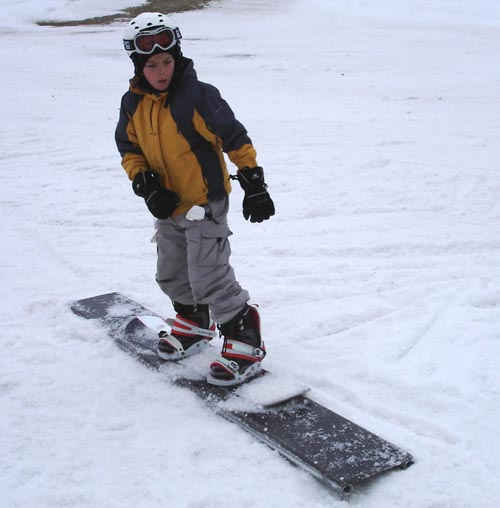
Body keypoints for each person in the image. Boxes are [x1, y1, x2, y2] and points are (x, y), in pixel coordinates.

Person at [115, 12, 275, 386]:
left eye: (166, 62)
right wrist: (146, 184)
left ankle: (245, 336)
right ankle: (194, 323)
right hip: (167, 204)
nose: (160, 71)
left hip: (204, 203)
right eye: (151, 65)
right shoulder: (132, 103)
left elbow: (234, 138)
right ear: (138, 66)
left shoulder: (198, 97)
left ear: (177, 57)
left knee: (209, 274)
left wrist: (254, 183)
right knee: (171, 271)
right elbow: (128, 148)